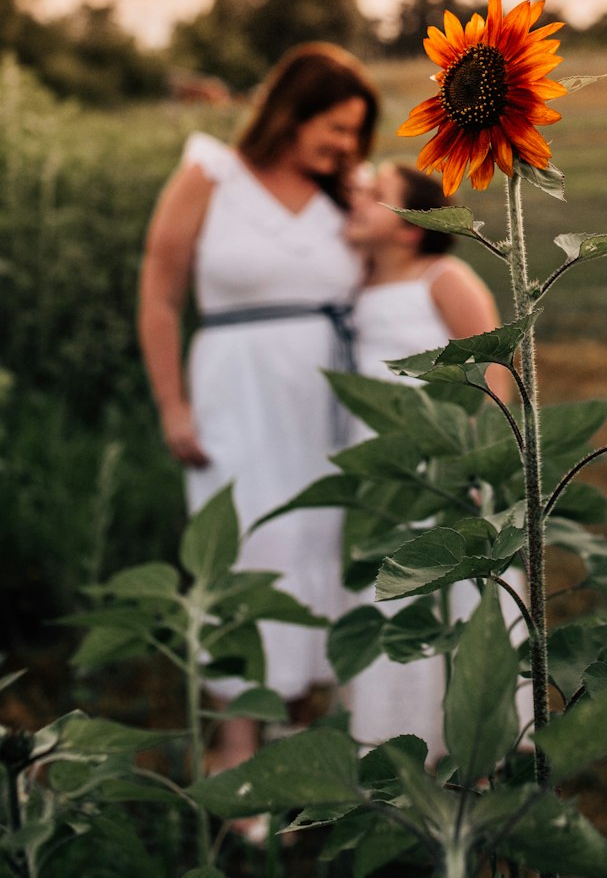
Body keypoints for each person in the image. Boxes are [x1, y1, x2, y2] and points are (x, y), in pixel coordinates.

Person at [138, 42, 379, 774]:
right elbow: (159, 290)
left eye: (355, 134)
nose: (345, 146)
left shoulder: (356, 189)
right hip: (233, 394)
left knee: (325, 549)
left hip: (331, 402)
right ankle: (236, 751)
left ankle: (309, 743)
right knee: (243, 550)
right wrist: (172, 404)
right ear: (289, 113)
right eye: (334, 127)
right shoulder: (212, 173)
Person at [344, 160, 530, 756]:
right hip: (384, 463)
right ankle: (396, 734)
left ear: (407, 227)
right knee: (391, 583)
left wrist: (477, 458)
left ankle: (473, 741)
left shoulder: (443, 278)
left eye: (376, 195)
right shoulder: (357, 282)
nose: (358, 198)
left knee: (449, 582)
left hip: (446, 464)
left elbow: (498, 368)